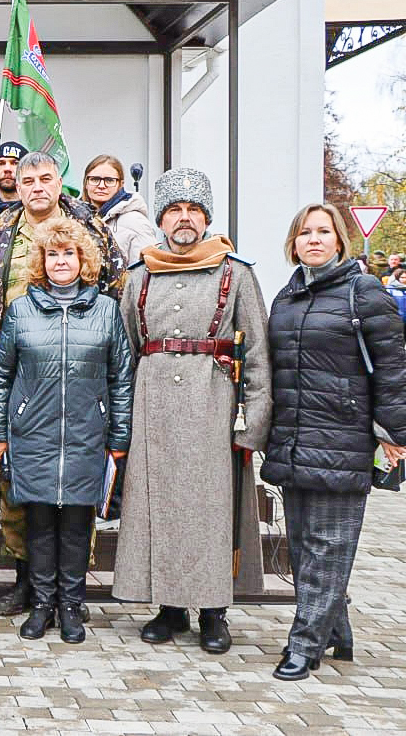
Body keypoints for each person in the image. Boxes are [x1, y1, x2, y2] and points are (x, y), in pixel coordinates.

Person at [114, 167, 272, 655]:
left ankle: (212, 612)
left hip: (212, 404)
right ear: (161, 218)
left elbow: (259, 353)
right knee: (157, 505)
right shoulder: (139, 274)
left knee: (209, 507)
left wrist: (256, 420)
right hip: (153, 402)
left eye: (193, 210)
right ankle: (168, 607)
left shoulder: (236, 272)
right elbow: (127, 347)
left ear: (205, 217)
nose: (184, 219)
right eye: (175, 210)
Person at [0, 151, 126, 617]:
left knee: (76, 497)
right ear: (16, 186)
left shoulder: (91, 227)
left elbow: (115, 292)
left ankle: (69, 592)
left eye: (46, 178)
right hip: (23, 381)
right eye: (28, 180)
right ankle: (28, 583)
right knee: (19, 494)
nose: (37, 187)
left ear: (59, 182)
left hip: (81, 381)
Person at [263, 203, 406, 680]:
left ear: (341, 240)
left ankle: (304, 645)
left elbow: (392, 369)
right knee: (304, 547)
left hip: (343, 439)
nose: (314, 239)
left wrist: (395, 434)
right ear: (294, 242)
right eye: (305, 233)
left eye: (323, 231)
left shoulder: (363, 293)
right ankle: (337, 631)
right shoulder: (288, 296)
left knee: (329, 546)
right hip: (294, 438)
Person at [82, 154, 160, 265]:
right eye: (95, 179)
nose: (101, 185)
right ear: (86, 182)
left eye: (109, 180)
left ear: (120, 184)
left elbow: (146, 271)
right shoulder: (74, 218)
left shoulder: (135, 222)